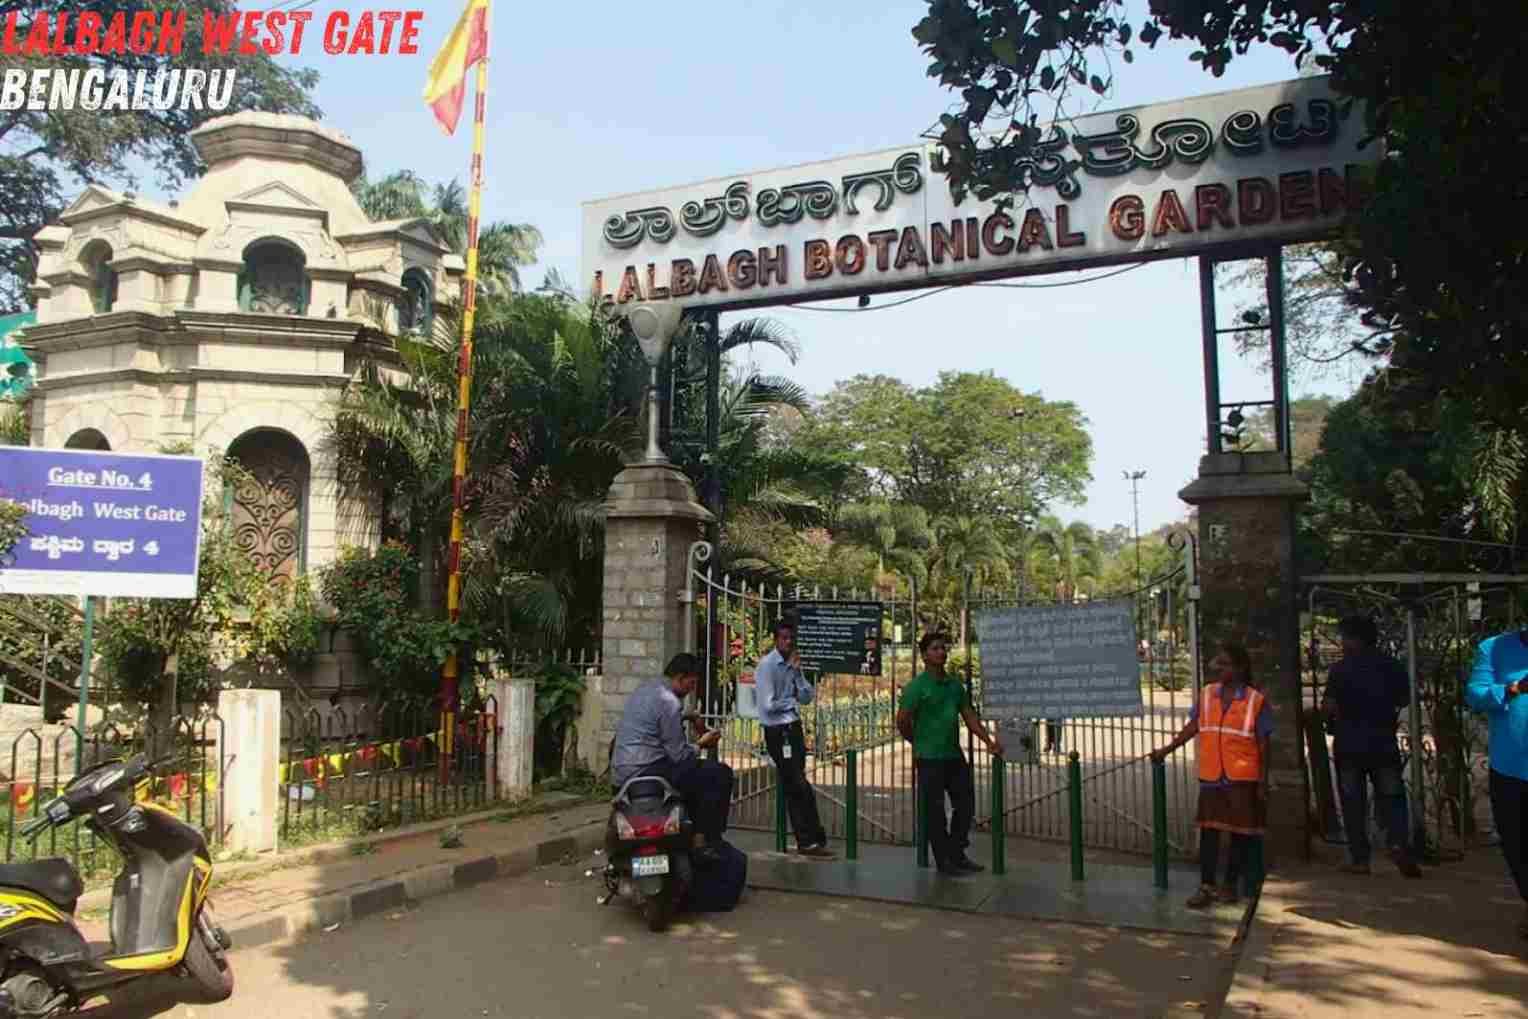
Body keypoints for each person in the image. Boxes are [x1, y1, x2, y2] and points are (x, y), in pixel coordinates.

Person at [1152, 643, 1271, 908]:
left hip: (1242, 776)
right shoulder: (1207, 694)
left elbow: (1263, 743)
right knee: (1209, 832)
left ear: (1240, 668)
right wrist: (1166, 749)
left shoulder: (1255, 700)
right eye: (1220, 664)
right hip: (1212, 774)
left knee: (1240, 833)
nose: (1221, 669)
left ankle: (1230, 885)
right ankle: (1206, 885)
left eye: (1226, 664)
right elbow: (1193, 726)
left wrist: (1262, 781)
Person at [897, 631, 1005, 876]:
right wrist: (916, 740)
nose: (941, 652)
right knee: (934, 812)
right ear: (924, 655)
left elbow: (969, 716)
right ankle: (943, 860)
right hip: (929, 758)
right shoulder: (917, 687)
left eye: (943, 648)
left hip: (953, 756)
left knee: (965, 805)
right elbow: (902, 720)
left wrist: (988, 741)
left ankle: (957, 852)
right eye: (935, 649)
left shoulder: (955, 686)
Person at [1321, 616, 1422, 877]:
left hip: (1349, 743)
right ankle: (1398, 843)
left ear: (1355, 639)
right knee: (1392, 797)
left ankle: (1360, 859)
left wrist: (1329, 718)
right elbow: (1404, 699)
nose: (1342, 643)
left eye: (1345, 637)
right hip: (1383, 742)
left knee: (1353, 802)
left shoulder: (1341, 670)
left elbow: (1329, 707)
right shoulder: (1392, 666)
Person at [611, 653, 735, 860]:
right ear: (679, 677)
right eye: (691, 682)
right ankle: (704, 838)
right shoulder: (669, 701)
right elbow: (679, 755)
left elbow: (654, 721)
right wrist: (702, 743)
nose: (692, 688)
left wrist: (687, 716)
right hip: (647, 770)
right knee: (719, 774)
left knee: (695, 774)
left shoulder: (647, 689)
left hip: (622, 772)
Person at [1464, 628, 1528, 939]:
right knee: (1516, 843)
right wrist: (1514, 687)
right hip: (1511, 767)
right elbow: (1475, 694)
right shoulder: (1493, 648)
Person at [754, 619, 834, 858]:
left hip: (793, 729)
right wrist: (792, 704)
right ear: (775, 639)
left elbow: (807, 696)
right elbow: (767, 706)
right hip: (778, 732)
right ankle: (809, 839)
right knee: (797, 785)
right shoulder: (767, 666)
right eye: (783, 638)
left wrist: (798, 674)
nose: (788, 642)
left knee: (797, 784)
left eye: (791, 638)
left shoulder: (792, 665)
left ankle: (811, 839)